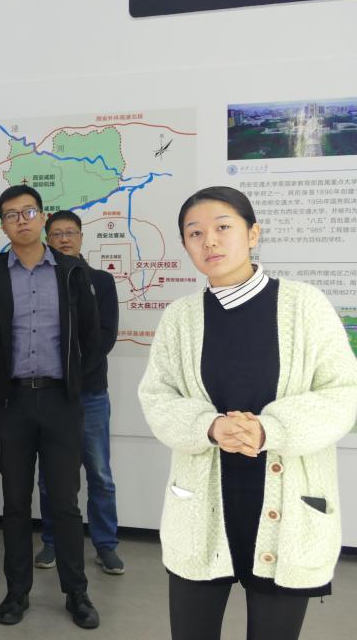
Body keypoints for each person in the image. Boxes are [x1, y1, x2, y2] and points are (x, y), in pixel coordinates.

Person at [139, 186, 357, 640]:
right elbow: (157, 396)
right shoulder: (180, 317)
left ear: (253, 233)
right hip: (201, 510)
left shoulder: (305, 305)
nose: (210, 241)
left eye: (223, 227)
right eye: (195, 233)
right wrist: (210, 426)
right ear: (185, 245)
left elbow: (343, 392)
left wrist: (270, 430)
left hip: (287, 510)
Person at [0, 185, 101, 629]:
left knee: (65, 502)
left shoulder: (70, 271)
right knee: (16, 502)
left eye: (28, 212)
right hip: (14, 402)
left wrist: (75, 377)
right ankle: (16, 592)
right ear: (3, 225)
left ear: (42, 217)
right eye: (11, 215)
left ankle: (76, 592)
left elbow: (92, 335)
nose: (21, 220)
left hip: (62, 401)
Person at [35, 210, 123, 575]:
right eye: (57, 234)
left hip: (89, 392)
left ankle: (105, 545)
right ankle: (52, 541)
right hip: (50, 394)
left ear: (81, 237)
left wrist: (73, 373)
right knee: (51, 475)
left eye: (70, 233)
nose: (64, 239)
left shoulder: (100, 281)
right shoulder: (38, 281)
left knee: (99, 473)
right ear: (47, 240)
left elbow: (105, 336)